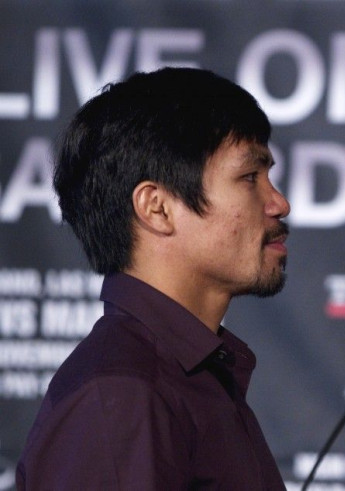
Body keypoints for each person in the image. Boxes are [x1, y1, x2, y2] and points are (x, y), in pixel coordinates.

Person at [16, 67, 290, 489]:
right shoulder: (123, 394)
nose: (279, 203)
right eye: (249, 177)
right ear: (157, 207)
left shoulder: (186, 378)